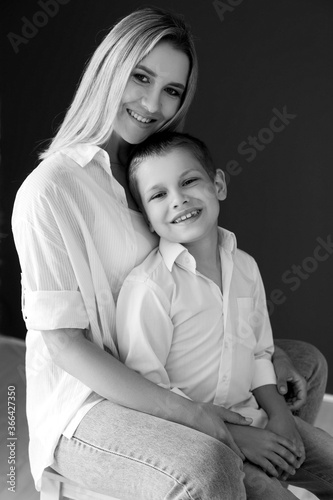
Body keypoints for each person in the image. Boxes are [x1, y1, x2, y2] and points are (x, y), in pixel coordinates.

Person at [11, 6, 327, 499]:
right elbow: (63, 344)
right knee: (207, 464)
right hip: (92, 400)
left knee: (304, 361)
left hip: (172, 361)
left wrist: (259, 355)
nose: (153, 103)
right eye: (140, 77)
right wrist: (198, 417)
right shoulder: (51, 190)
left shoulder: (154, 174)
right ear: (108, 69)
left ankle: (266, 471)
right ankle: (236, 473)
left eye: (172, 90)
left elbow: (202, 280)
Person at [116, 131, 333, 499]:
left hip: (255, 415)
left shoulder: (245, 267)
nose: (179, 198)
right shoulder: (150, 287)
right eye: (159, 194)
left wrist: (280, 416)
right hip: (199, 438)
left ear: (218, 184)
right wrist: (237, 436)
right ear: (148, 219)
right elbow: (148, 392)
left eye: (189, 181)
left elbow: (259, 351)